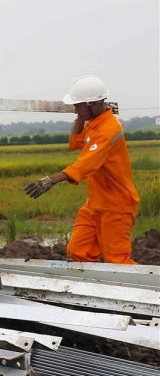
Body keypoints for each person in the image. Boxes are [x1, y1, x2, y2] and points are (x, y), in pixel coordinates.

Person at [24, 75, 139, 265]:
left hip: (117, 205)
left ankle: (147, 293)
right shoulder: (94, 124)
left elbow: (86, 164)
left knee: (117, 260)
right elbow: (74, 142)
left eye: (77, 106)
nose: (74, 110)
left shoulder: (108, 129)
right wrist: (81, 115)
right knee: (79, 251)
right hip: (95, 203)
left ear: (93, 104)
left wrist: (51, 180)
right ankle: (98, 288)